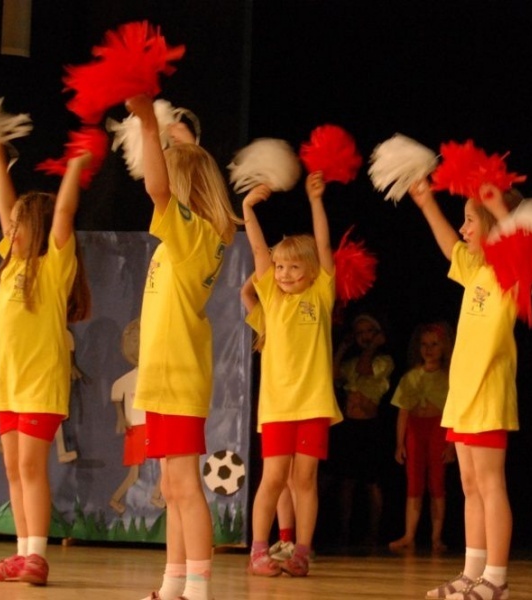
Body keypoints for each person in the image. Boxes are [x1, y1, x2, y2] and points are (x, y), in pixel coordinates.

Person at [126, 93, 241, 600]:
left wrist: (150, 127)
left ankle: (196, 590)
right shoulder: (195, 235)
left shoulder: (192, 235)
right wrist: (183, 142)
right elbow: (185, 177)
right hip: (164, 376)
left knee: (186, 489)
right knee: (173, 488)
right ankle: (173, 586)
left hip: (176, 374)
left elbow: (157, 186)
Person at [0, 145, 92, 586]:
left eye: (20, 225)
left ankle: (38, 556)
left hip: (40, 384)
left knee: (30, 468)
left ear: (38, 229)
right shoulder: (11, 266)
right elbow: (5, 207)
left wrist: (77, 167)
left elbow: (63, 211)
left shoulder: (53, 264)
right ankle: (23, 552)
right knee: (11, 469)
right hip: (8, 386)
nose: (11, 228)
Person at [410, 179, 524, 600]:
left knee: (491, 485)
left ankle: (496, 579)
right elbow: (448, 246)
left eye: (470, 220)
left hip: (489, 392)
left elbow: (521, 238)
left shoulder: (511, 268)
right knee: (471, 485)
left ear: (494, 225)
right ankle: (471, 573)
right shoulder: (477, 269)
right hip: (463, 396)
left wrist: (496, 205)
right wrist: (425, 202)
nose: (463, 229)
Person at [242, 171, 343, 578]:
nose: (282, 273)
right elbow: (257, 248)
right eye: (279, 266)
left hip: (314, 403)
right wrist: (248, 208)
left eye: (292, 266)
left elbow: (323, 244)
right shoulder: (271, 298)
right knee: (273, 479)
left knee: (305, 481)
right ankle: (259, 550)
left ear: (313, 271)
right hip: (279, 407)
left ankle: (302, 550)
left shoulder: (320, 293)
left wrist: (316, 200)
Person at [240, 276, 298, 562]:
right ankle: (286, 538)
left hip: (300, 405)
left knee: (299, 478)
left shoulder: (300, 310)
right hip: (274, 408)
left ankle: (300, 544)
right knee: (281, 478)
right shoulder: (269, 317)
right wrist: (266, 272)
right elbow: (245, 292)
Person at [389, 321, 456, 554]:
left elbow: (454, 413)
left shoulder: (450, 378)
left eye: (434, 344)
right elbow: (403, 412)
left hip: (438, 429)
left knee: (437, 483)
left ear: (444, 347)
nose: (429, 349)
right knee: (414, 484)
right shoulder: (410, 377)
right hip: (415, 431)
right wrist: (400, 443)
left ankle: (436, 537)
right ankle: (409, 535)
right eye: (424, 344)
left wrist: (452, 444)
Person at [332, 313, 394, 547]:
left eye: (370, 332)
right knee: (347, 481)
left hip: (371, 428)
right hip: (351, 428)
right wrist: (342, 348)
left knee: (372, 482)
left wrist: (374, 345)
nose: (365, 337)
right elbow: (334, 375)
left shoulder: (384, 360)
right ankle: (344, 530)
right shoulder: (351, 362)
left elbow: (366, 368)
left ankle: (374, 532)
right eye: (360, 333)